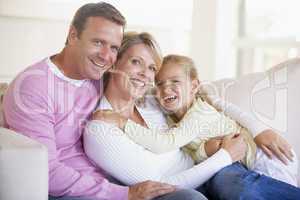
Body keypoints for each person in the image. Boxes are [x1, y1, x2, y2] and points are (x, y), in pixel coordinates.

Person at [2, 2, 204, 200]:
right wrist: (124, 194)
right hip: (71, 191)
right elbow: (46, 171)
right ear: (73, 35)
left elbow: (146, 85)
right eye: (98, 42)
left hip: (112, 179)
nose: (106, 56)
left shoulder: (96, 75)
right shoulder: (33, 87)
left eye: (114, 47)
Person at [83, 31, 248, 195]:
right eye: (136, 62)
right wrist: (225, 156)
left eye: (151, 68)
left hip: (212, 167)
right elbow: (159, 185)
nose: (145, 74)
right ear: (113, 63)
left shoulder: (151, 103)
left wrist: (260, 130)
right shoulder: (100, 129)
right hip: (190, 185)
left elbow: (203, 97)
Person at [106, 54, 298, 186]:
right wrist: (206, 150)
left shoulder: (199, 113)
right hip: (243, 163)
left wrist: (122, 122)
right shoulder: (173, 119)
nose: (165, 89)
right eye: (160, 84)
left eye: (175, 81)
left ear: (194, 85)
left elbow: (166, 143)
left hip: (267, 157)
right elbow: (196, 154)